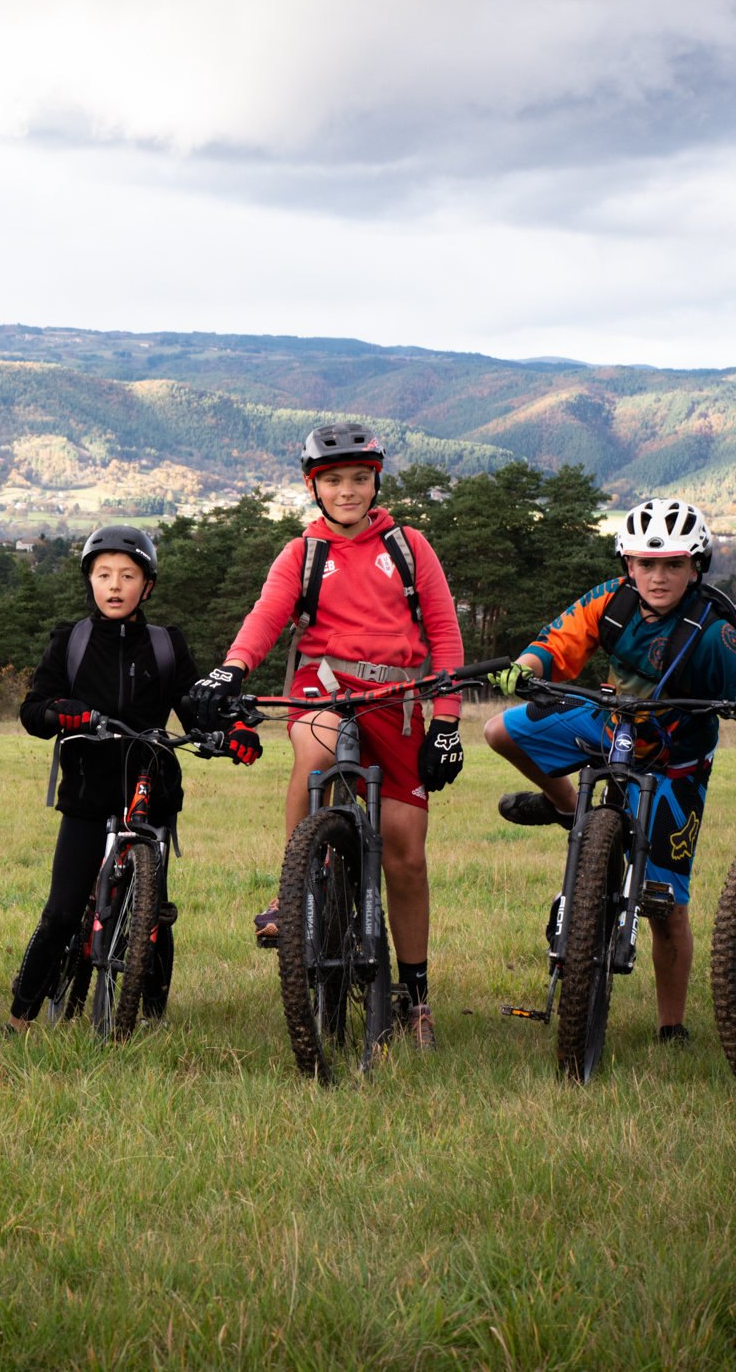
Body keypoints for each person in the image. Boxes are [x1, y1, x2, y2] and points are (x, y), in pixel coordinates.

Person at [187, 423, 469, 1047]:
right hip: (326, 688)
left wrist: (446, 723)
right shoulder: (303, 554)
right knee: (314, 746)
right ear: (315, 486)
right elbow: (266, 618)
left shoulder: (410, 546)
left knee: (406, 854)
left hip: (399, 704)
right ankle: (296, 894)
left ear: (376, 482)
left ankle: (415, 997)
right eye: (334, 481)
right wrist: (232, 669)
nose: (348, 491)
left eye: (359, 479)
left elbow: (446, 638)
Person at [481, 498, 736, 1044]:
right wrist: (524, 669)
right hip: (610, 723)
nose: (658, 576)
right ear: (628, 565)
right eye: (646, 564)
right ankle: (568, 806)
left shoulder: (711, 630)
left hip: (676, 763)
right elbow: (556, 644)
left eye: (673, 564)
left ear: (697, 568)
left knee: (663, 905)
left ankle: (672, 1027)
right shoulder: (611, 602)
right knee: (500, 731)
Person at [5, 525, 260, 1027]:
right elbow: (33, 712)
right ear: (90, 582)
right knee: (62, 910)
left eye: (128, 575)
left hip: (150, 789)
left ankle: (153, 1017)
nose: (115, 585)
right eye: (104, 575)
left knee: (155, 911)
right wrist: (64, 712)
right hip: (86, 791)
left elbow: (194, 709)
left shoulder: (167, 645)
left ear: (147, 585)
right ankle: (19, 1018)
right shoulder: (70, 641)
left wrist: (230, 733)